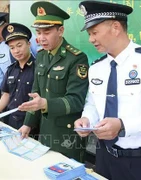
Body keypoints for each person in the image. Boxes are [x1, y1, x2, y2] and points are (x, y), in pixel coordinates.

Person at [74, 1, 141, 180]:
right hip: (104, 158)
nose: (90, 39)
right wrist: (87, 118)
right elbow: (93, 103)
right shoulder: (97, 68)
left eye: (94, 33)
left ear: (116, 27)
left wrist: (124, 125)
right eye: (89, 34)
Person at [18, 1, 89, 162]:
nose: (41, 38)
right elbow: (35, 94)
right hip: (45, 130)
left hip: (67, 135)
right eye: (38, 32)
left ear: (61, 30)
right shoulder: (42, 55)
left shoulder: (76, 58)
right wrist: (28, 124)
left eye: (47, 32)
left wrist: (45, 104)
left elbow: (76, 100)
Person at [0, 23, 36, 131]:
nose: (16, 51)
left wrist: (28, 124)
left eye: (19, 45)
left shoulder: (38, 68)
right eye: (12, 48)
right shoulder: (11, 69)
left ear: (29, 44)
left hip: (29, 123)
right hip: (9, 120)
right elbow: (6, 95)